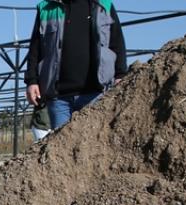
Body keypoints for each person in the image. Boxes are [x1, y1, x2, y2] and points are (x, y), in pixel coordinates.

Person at [24, 0, 127, 130]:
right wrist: (32, 81)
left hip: (95, 93)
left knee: (91, 139)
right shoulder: (47, 8)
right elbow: (35, 48)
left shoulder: (103, 5)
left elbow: (117, 42)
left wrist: (120, 75)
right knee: (61, 141)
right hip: (58, 98)